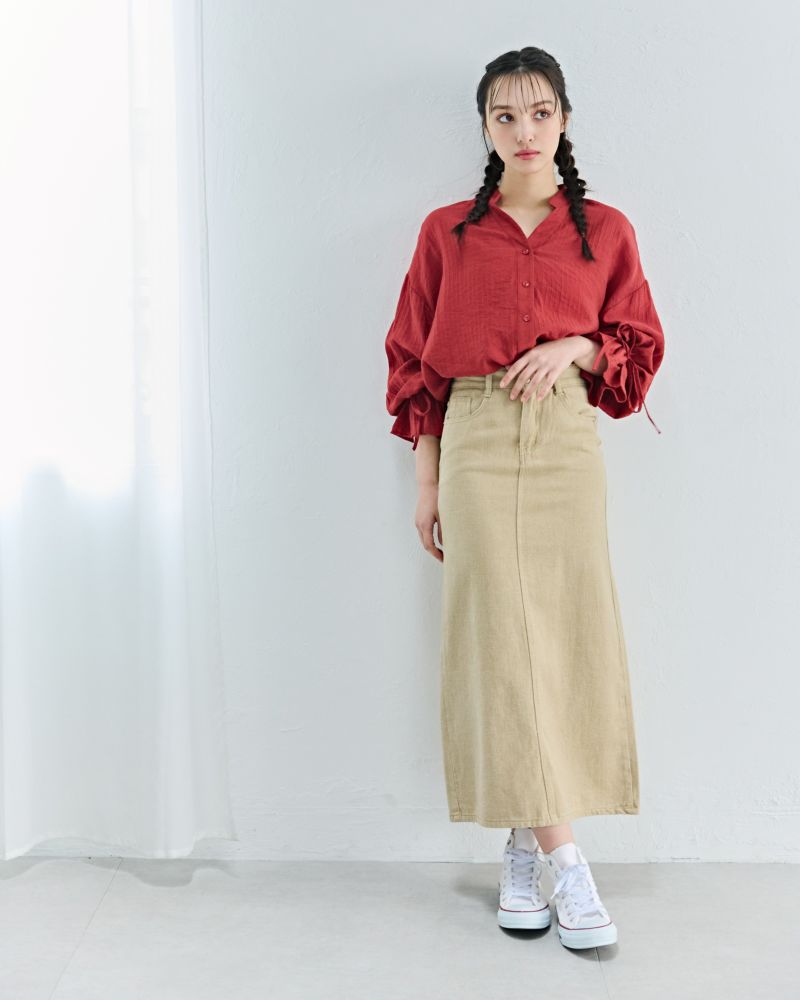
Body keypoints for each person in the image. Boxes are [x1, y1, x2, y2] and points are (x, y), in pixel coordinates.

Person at [384, 47, 664, 950]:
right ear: (485, 128)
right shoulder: (446, 233)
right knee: (498, 639)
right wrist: (427, 481)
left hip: (567, 443)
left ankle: (520, 843)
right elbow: (415, 361)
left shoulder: (605, 230)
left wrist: (577, 346)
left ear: (565, 120)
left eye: (540, 112)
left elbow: (636, 345)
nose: (524, 130)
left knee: (570, 635)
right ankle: (568, 863)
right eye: (505, 115)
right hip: (473, 435)